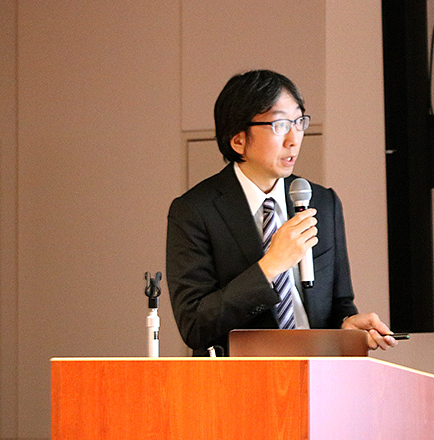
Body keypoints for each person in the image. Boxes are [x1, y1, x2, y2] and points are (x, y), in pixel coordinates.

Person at [166, 69, 397, 356]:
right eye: (279, 125)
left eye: (299, 122)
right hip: (241, 376)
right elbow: (195, 325)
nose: (294, 138)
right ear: (238, 140)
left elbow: (339, 303)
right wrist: (271, 265)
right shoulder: (195, 211)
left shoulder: (323, 202)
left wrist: (346, 326)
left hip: (317, 372)